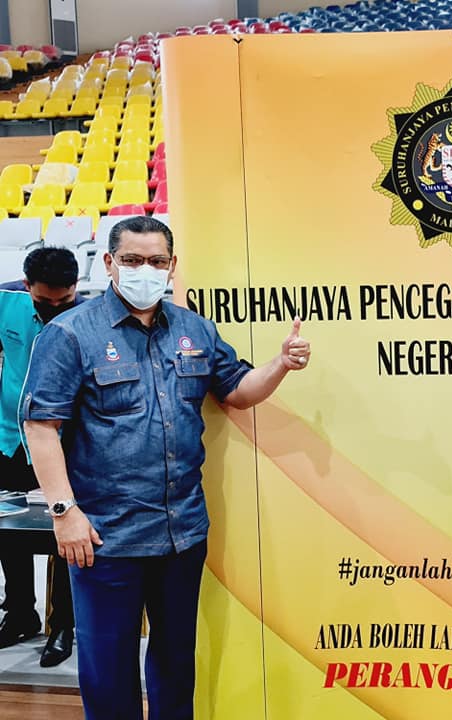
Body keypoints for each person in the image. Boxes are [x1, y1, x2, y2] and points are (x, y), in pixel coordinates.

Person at [22, 216, 311, 719]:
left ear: (172, 266)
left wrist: (280, 365)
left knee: (176, 664)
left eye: (157, 261)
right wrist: (64, 513)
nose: (145, 270)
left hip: (182, 533)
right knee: (108, 670)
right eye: (132, 260)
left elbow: (237, 390)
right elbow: (40, 425)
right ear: (109, 263)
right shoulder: (69, 333)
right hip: (105, 538)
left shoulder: (195, 329)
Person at [0, 247, 83, 667]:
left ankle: (63, 623)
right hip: (9, 438)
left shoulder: (90, 315)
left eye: (63, 300)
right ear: (26, 285)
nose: (54, 308)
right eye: (44, 301)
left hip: (64, 444)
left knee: (65, 533)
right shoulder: (5, 301)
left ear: (76, 287)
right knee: (8, 530)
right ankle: (19, 613)